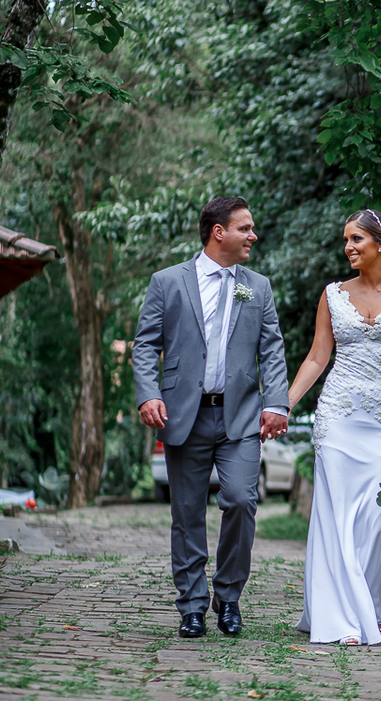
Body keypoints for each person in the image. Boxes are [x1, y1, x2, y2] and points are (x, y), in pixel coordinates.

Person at [133, 196, 290, 639]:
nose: (253, 236)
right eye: (246, 228)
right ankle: (192, 605)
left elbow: (272, 349)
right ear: (218, 232)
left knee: (241, 500)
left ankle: (229, 597)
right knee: (186, 513)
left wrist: (275, 403)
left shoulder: (258, 287)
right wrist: (148, 394)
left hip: (240, 417)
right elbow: (145, 345)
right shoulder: (167, 282)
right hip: (183, 415)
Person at [287, 208, 381, 646]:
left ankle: (373, 607)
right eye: (346, 240)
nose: (349, 247)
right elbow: (317, 356)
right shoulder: (332, 295)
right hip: (338, 418)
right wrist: (284, 405)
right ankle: (345, 619)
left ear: (380, 244)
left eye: (357, 240)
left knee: (379, 516)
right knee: (337, 517)